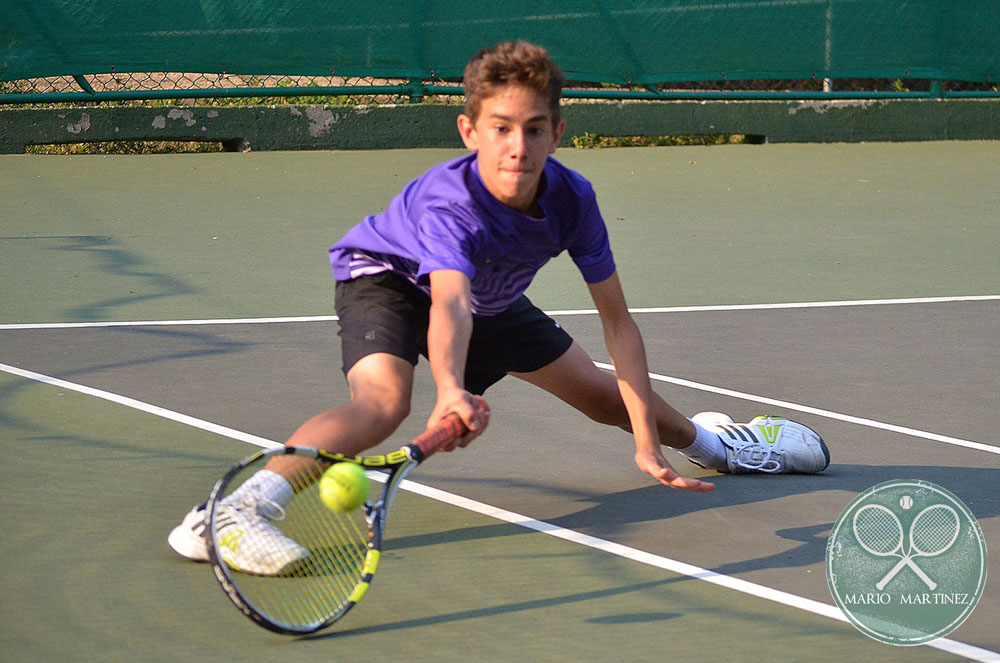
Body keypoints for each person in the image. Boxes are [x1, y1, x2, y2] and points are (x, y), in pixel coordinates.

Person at [168, 40, 829, 575]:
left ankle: (718, 443)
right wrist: (451, 390)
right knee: (383, 405)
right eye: (502, 129)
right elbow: (448, 303)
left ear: (557, 131)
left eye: (534, 129)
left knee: (607, 399)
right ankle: (235, 508)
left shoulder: (573, 199)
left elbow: (618, 324)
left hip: (493, 297)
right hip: (391, 279)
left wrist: (649, 441)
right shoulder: (448, 204)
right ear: (469, 130)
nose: (518, 146)